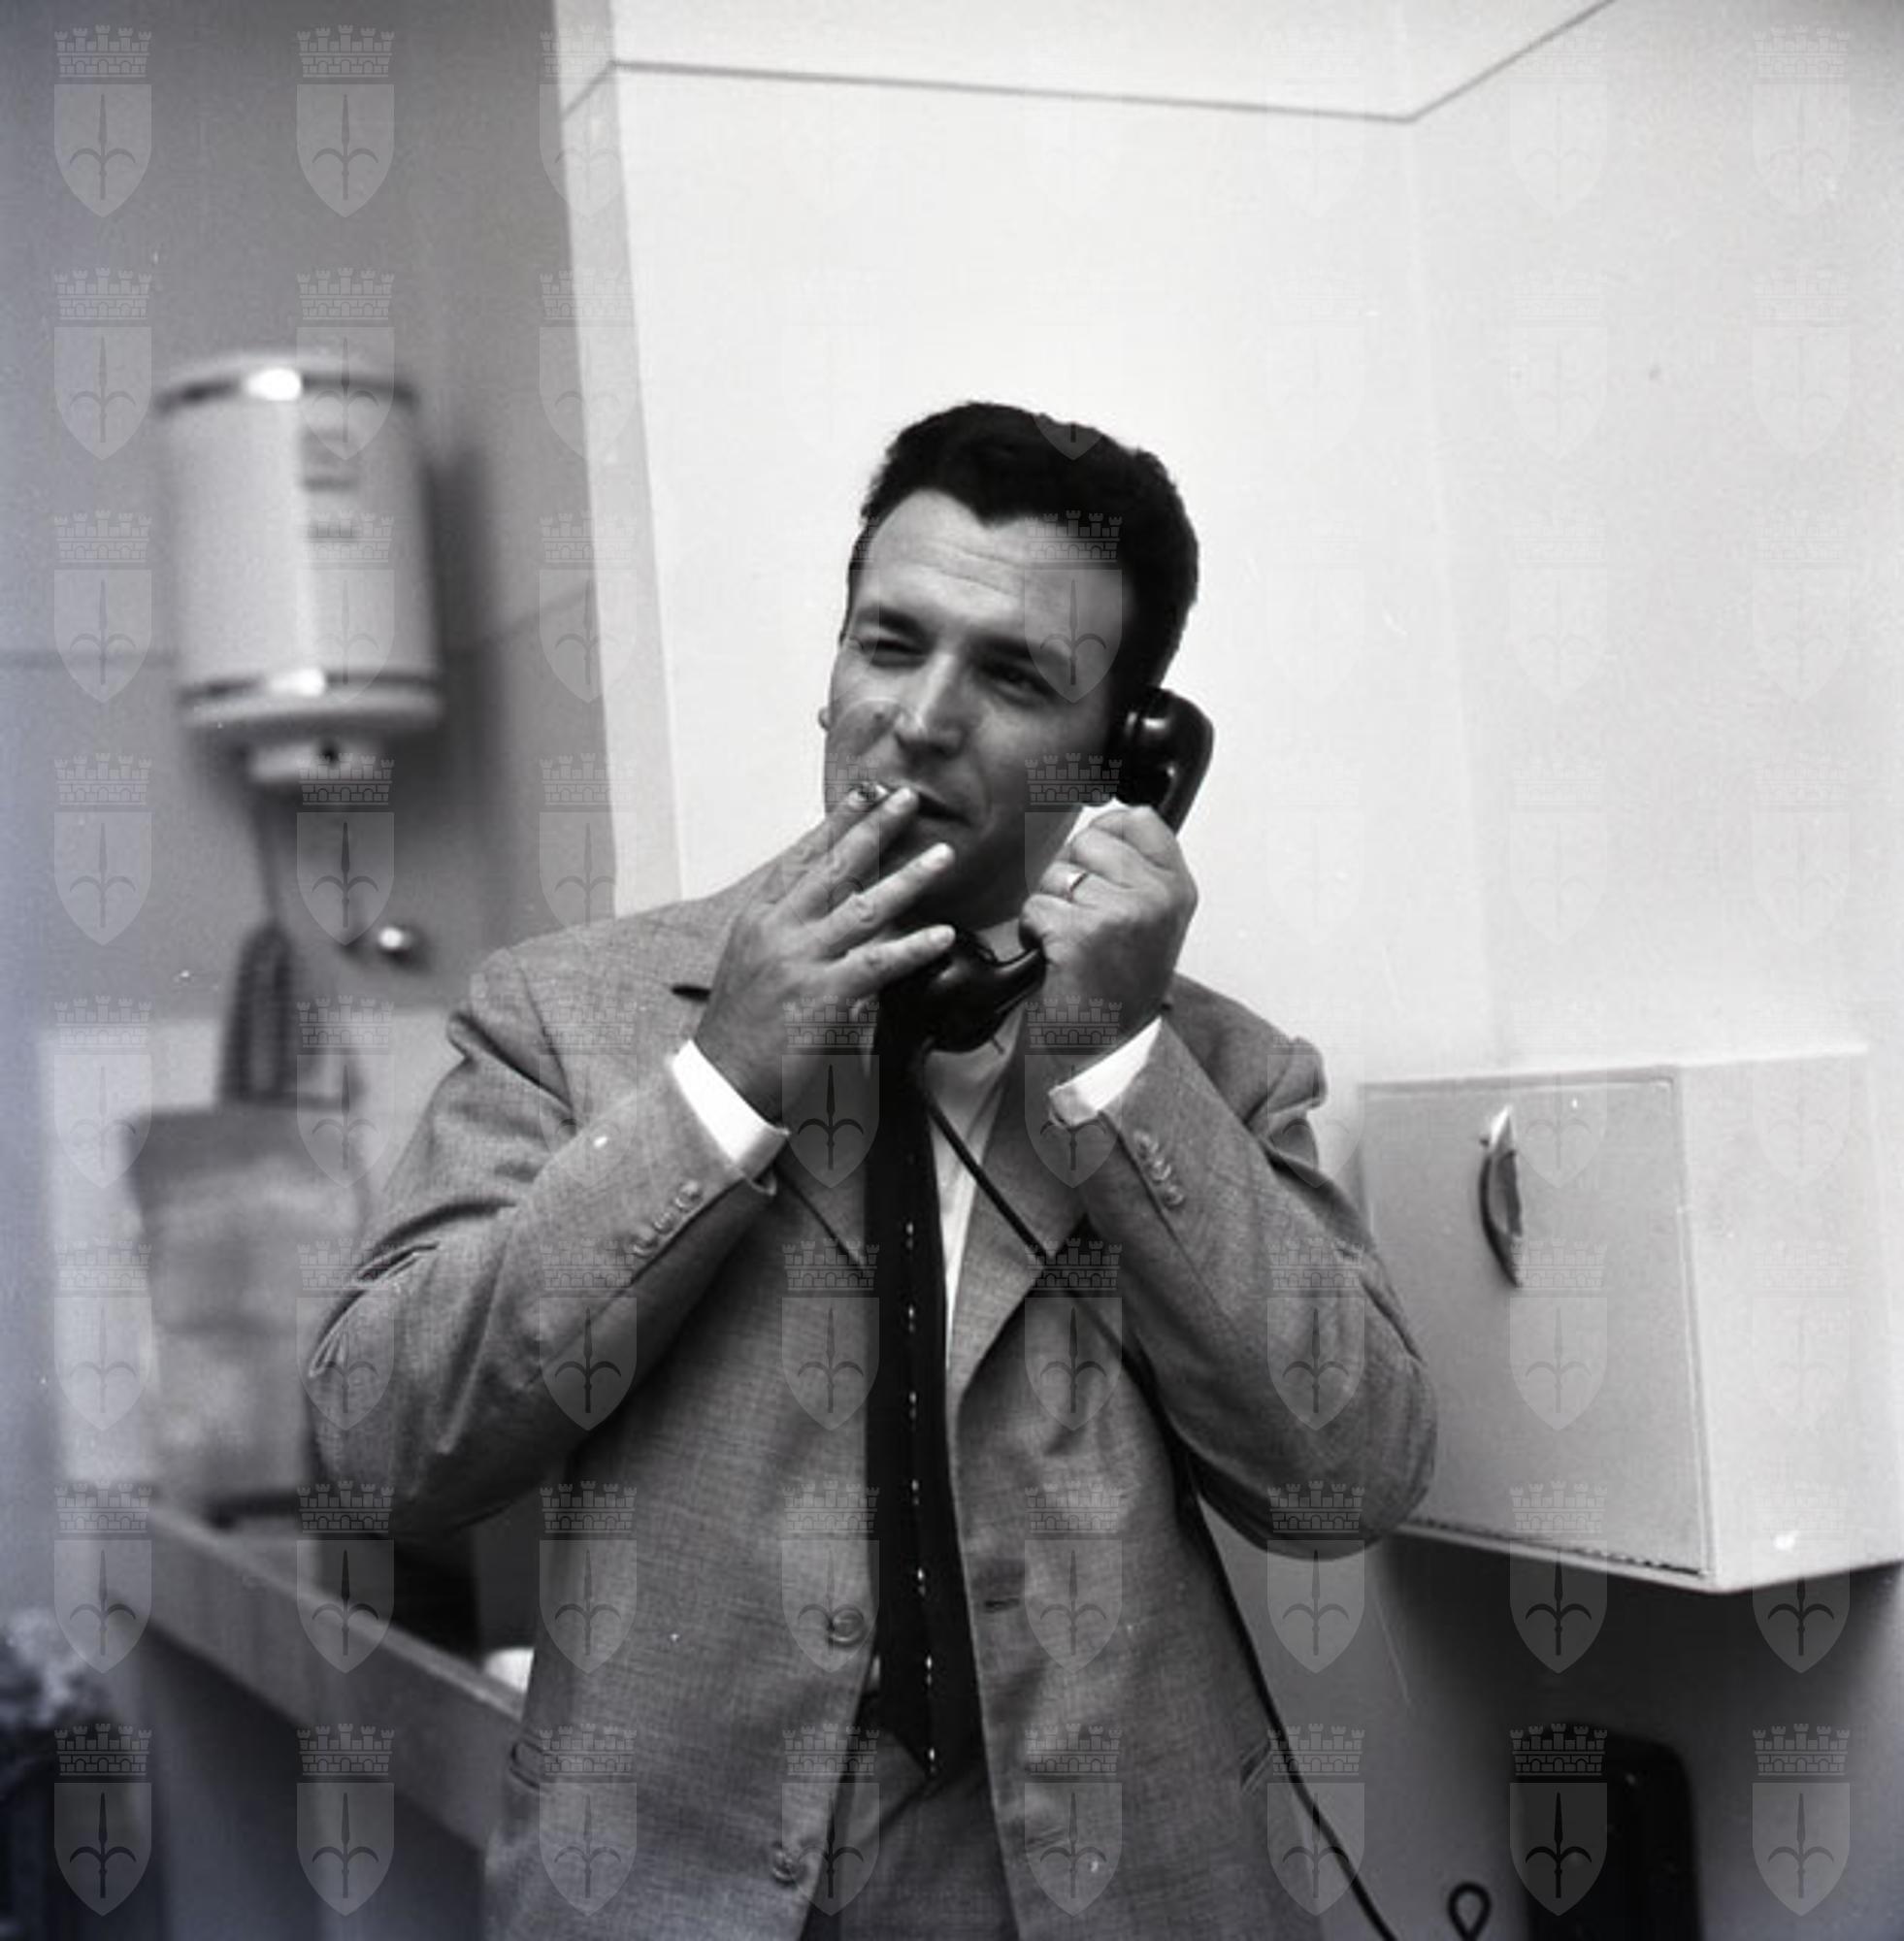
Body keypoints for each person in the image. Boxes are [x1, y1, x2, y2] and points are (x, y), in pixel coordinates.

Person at [309, 401, 1436, 1940]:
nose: (921, 718)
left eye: (1014, 676)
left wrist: (1116, 1064)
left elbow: (1344, 1479)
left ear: (1122, 755)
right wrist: (718, 1086)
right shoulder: (564, 1016)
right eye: (889, 645)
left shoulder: (1214, 1072)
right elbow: (374, 1448)